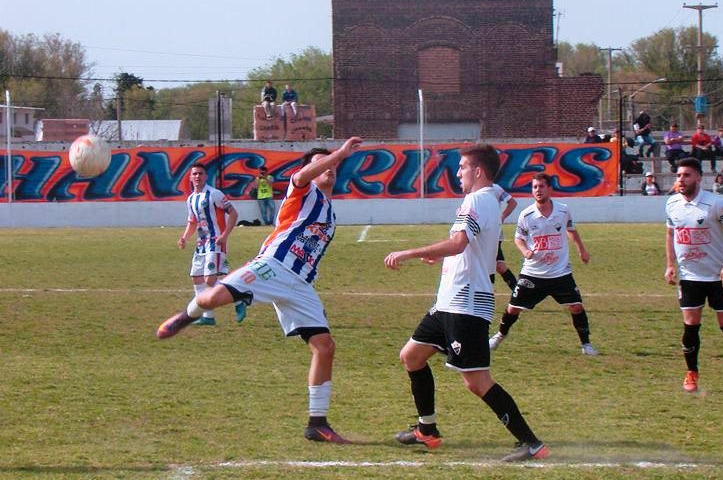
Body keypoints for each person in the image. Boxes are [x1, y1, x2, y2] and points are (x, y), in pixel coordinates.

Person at [157, 137, 364, 444]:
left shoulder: (329, 212)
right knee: (212, 298)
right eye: (322, 163)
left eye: (332, 164)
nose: (329, 167)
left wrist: (335, 158)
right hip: (273, 266)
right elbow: (301, 175)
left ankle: (317, 424)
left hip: (301, 283)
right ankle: (188, 315)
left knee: (325, 346)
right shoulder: (302, 191)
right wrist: (340, 153)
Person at [384, 145, 549, 462]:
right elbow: (468, 244)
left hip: (466, 305)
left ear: (478, 171)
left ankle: (531, 443)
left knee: (477, 382)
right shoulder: (489, 199)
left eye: (462, 167)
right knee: (411, 356)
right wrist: (441, 255)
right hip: (448, 302)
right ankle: (427, 430)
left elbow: (459, 243)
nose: (458, 172)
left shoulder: (478, 199)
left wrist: (410, 252)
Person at [665, 157, 723, 395]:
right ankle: (691, 373)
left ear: (698, 178)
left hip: (718, 277)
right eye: (678, 175)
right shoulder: (672, 204)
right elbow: (671, 234)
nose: (681, 180)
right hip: (689, 278)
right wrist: (670, 265)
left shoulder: (715, 204)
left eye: (686, 175)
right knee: (690, 325)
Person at [488, 172, 597, 356]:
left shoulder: (563, 211)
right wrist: (525, 251)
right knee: (513, 308)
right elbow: (518, 238)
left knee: (576, 306)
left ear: (550, 189)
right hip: (533, 273)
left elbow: (571, 230)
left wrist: (582, 250)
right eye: (535, 187)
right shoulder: (526, 215)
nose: (538, 190)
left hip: (560, 272)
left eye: (541, 186)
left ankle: (586, 345)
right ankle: (499, 336)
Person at [178, 163, 244, 326]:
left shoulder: (214, 194)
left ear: (206, 177)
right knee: (197, 278)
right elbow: (192, 222)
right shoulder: (191, 199)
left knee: (209, 280)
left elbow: (233, 213)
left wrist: (224, 235)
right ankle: (208, 316)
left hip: (215, 241)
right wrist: (184, 237)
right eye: (194, 174)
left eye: (200, 173)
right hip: (201, 243)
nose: (197, 176)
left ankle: (238, 298)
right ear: (190, 177)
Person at [490, 184, 519, 291]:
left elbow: (512, 202)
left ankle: (519, 294)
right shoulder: (472, 189)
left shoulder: (495, 188)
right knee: (498, 266)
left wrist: (502, 217)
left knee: (491, 265)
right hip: (478, 234)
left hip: (493, 234)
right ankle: (519, 294)